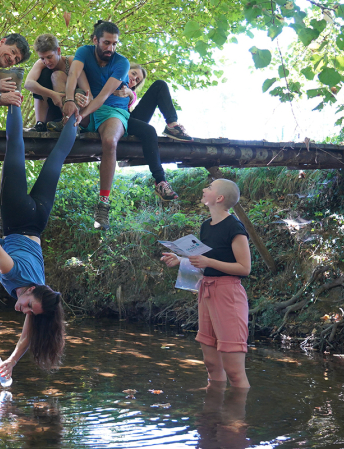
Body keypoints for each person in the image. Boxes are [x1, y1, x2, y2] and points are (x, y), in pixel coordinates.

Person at [0, 105, 76, 377]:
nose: (23, 310)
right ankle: (14, 101)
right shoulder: (14, 273)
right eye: (28, 305)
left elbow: (27, 336)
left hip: (40, 218)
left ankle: (77, 118)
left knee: (57, 158)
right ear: (31, 290)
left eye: (29, 310)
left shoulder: (40, 289)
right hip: (17, 215)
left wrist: (12, 360)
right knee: (14, 147)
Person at [61, 21, 176, 231]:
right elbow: (73, 75)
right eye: (106, 43)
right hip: (87, 102)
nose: (110, 48)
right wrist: (69, 100)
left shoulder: (121, 63)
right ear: (95, 40)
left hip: (112, 110)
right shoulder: (83, 52)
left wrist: (83, 114)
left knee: (110, 140)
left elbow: (104, 96)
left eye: (114, 44)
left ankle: (103, 204)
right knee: (70, 104)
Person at [160, 178, 251, 389]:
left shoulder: (234, 226)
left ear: (219, 198)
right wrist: (180, 260)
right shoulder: (206, 226)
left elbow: (244, 268)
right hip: (206, 291)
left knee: (234, 371)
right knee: (211, 363)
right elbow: (206, 265)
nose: (203, 188)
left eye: (209, 187)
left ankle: (237, 421)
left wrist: (208, 261)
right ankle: (212, 417)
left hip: (228, 294)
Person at [23, 33, 90, 132]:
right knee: (42, 77)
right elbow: (28, 83)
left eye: (49, 57)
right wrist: (53, 94)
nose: (46, 62)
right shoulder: (41, 64)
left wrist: (81, 99)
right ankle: (40, 123)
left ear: (58, 51)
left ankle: (68, 121)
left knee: (57, 75)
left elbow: (88, 93)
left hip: (77, 111)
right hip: (53, 113)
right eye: (42, 58)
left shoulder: (72, 62)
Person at [113, 63, 193, 141]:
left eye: (137, 80)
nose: (134, 78)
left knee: (160, 85)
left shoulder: (131, 94)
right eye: (133, 73)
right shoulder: (108, 78)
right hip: (109, 119)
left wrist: (130, 93)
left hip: (129, 122)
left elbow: (132, 97)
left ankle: (172, 126)